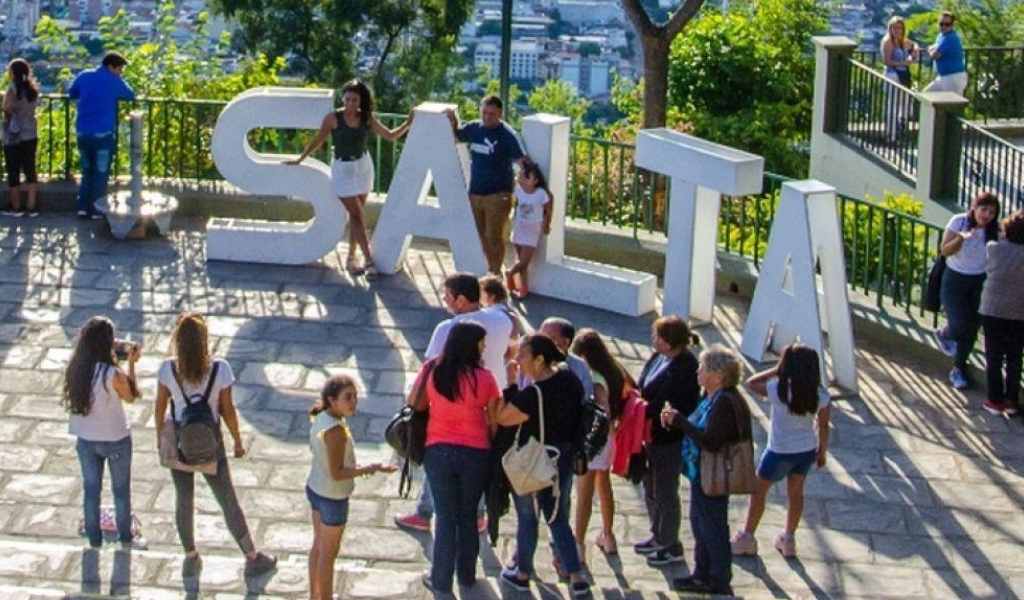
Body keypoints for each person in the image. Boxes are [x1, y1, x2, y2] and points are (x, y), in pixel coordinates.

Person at [154, 313, 277, 578]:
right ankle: (251, 556)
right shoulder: (220, 369)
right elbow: (228, 410)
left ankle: (190, 555)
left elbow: (160, 408)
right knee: (227, 500)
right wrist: (237, 440)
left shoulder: (167, 369)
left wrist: (160, 441)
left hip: (180, 441)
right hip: (212, 441)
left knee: (183, 499)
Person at [394, 274, 512, 532]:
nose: (445, 301)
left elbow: (431, 368)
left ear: (460, 300)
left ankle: (426, 512)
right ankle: (479, 514)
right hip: (492, 397)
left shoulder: (447, 329)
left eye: (447, 296)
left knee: (437, 452)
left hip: (455, 400)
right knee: (483, 456)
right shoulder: (501, 320)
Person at [495, 334, 591, 598]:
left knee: (527, 516)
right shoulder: (570, 380)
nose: (518, 360)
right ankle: (576, 574)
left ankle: (522, 572)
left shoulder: (533, 393)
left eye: (523, 356)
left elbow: (504, 418)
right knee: (557, 516)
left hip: (535, 461)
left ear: (539, 360)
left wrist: (511, 383)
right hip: (564, 458)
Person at [286, 80, 412, 276]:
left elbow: (390, 136)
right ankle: (369, 260)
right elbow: (318, 140)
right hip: (342, 169)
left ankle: (352, 257)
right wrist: (300, 159)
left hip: (363, 166)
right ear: (343, 98)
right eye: (348, 99)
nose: (351, 103)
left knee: (357, 216)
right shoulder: (333, 118)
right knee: (357, 214)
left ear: (361, 100)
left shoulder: (367, 118)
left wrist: (408, 122)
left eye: (355, 99)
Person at [414, 323, 501, 594]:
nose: (484, 347)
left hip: (438, 450)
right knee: (468, 515)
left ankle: (440, 579)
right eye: (481, 343)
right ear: (471, 346)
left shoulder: (433, 370)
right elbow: (495, 419)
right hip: (476, 453)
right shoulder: (485, 378)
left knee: (445, 516)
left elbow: (414, 403)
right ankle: (466, 575)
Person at [662, 344, 752, 597]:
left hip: (713, 475)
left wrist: (680, 421)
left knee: (712, 528)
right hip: (700, 473)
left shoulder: (724, 402)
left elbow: (711, 440)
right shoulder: (711, 397)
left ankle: (718, 579)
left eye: (702, 368)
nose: (698, 372)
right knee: (701, 526)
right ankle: (702, 574)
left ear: (717, 375)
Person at [731, 343, 831, 559]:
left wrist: (777, 369)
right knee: (796, 494)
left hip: (778, 451)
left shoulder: (778, 389)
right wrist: (822, 451)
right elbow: (823, 425)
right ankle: (789, 539)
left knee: (759, 493)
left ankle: (747, 537)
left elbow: (751, 382)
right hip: (805, 450)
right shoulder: (820, 394)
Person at [307, 374, 395, 600]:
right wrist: (371, 468)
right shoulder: (336, 431)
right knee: (328, 553)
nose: (354, 401)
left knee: (318, 545)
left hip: (316, 488)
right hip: (332, 496)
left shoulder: (321, 417)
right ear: (332, 400)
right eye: (348, 397)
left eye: (355, 396)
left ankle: (314, 595)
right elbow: (337, 473)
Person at [62, 317, 145, 550]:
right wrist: (130, 363)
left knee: (91, 491)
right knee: (120, 491)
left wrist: (117, 344)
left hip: (86, 439)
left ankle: (94, 541)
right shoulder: (111, 374)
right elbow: (130, 396)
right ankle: (125, 539)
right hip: (115, 439)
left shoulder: (77, 368)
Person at [633, 315, 700, 566]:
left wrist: (646, 408)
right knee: (650, 486)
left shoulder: (685, 367)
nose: (654, 341)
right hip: (650, 434)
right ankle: (657, 534)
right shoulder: (659, 357)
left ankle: (670, 543)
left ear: (670, 342)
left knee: (666, 491)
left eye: (658, 337)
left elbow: (672, 402)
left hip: (668, 438)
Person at [570, 328, 636, 563]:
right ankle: (608, 535)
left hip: (594, 440)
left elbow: (602, 410)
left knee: (584, 494)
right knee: (603, 485)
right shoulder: (615, 369)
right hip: (609, 439)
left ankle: (578, 545)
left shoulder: (595, 378)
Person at [446, 96, 529, 275]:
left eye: (492, 114)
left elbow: (523, 161)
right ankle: (487, 272)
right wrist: (452, 121)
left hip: (498, 195)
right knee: (479, 236)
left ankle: (495, 274)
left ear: (500, 114)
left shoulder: (507, 135)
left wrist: (527, 189)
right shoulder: (474, 128)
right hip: (475, 193)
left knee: (494, 237)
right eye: (484, 112)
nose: (487, 117)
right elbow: (458, 135)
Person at [935, 192, 1000, 390]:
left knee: (972, 327)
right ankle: (945, 333)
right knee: (960, 322)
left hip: (979, 280)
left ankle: (958, 369)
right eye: (983, 209)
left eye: (991, 212)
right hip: (955, 278)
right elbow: (944, 250)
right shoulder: (959, 221)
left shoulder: (995, 230)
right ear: (974, 207)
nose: (986, 215)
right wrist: (961, 239)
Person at [68, 52, 135, 220]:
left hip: (83, 132)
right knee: (101, 173)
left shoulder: (84, 75)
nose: (121, 72)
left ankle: (82, 207)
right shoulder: (114, 81)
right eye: (120, 69)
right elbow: (130, 95)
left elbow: (72, 92)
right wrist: (118, 82)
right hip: (103, 134)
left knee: (86, 170)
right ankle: (97, 209)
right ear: (111, 66)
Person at [979, 210, 1024, 415]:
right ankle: (1012, 401)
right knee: (1015, 357)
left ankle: (994, 401)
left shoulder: (993, 248)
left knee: (994, 356)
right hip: (1019, 311)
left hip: (992, 309)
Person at [506, 161, 553, 298]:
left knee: (524, 262)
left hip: (532, 230)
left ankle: (510, 273)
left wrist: (546, 224)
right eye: (521, 176)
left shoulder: (541, 194)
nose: (522, 179)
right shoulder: (517, 190)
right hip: (519, 227)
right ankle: (522, 288)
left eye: (527, 177)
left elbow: (548, 209)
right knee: (522, 262)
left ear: (536, 181)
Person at [2, 58, 40, 217]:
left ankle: (15, 207)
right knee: (30, 169)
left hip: (13, 136)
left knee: (13, 171)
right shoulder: (33, 90)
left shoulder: (12, 89)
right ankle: (31, 207)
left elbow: (7, 108)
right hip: (30, 133)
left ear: (12, 73)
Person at [880, 16, 918, 142]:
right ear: (890, 28)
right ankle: (890, 134)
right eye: (894, 27)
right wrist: (903, 63)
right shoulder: (888, 42)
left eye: (899, 28)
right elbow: (886, 61)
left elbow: (914, 45)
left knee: (905, 103)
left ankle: (900, 126)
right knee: (893, 105)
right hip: (892, 75)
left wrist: (913, 54)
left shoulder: (902, 40)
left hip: (903, 76)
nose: (897, 30)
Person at [924, 12, 967, 95]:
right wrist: (933, 49)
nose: (943, 26)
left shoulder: (950, 38)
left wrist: (929, 49)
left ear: (952, 25)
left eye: (947, 24)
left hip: (954, 78)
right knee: (925, 97)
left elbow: (934, 55)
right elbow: (935, 48)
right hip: (943, 77)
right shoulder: (941, 36)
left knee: (951, 106)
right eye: (941, 24)